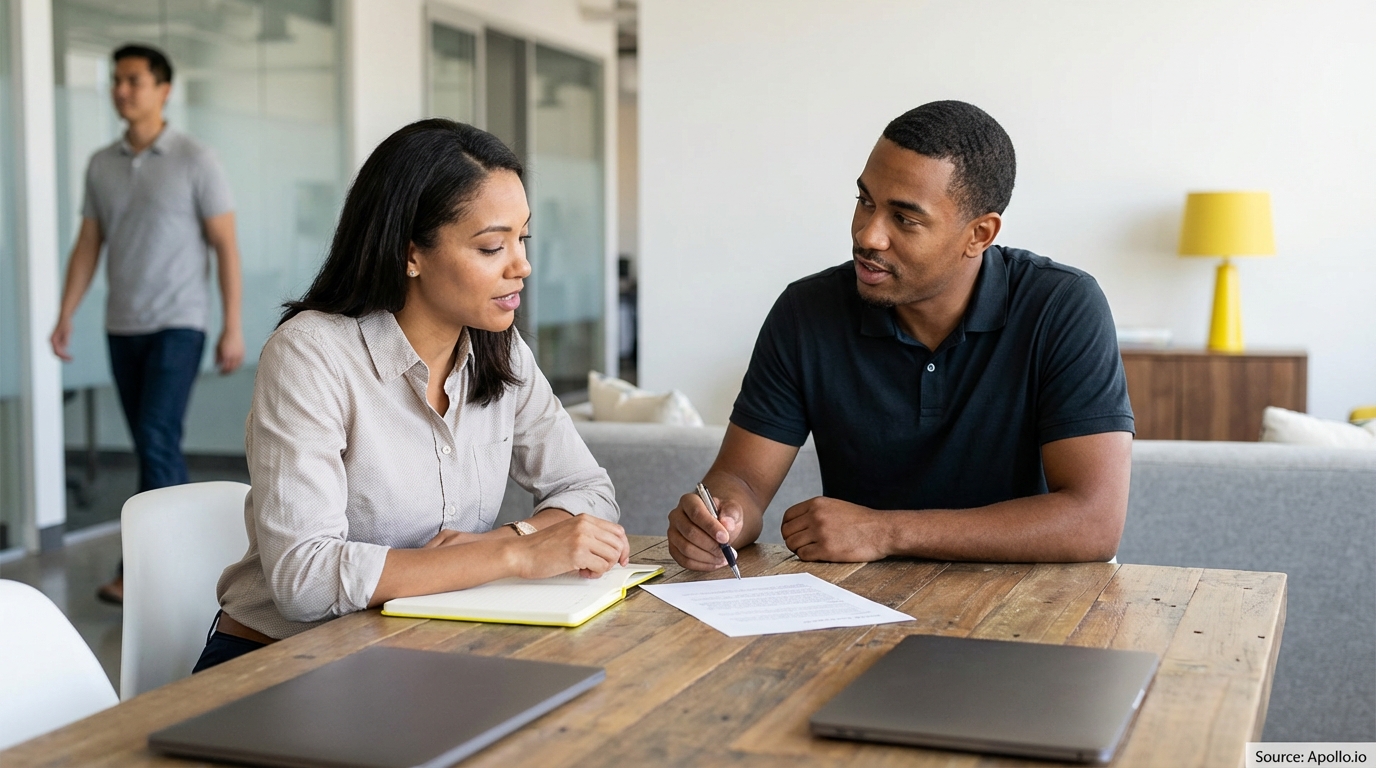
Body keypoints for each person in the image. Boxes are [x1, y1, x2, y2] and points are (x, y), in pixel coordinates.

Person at [195, 119, 629, 671]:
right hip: (279, 660)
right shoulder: (311, 354)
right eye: (493, 246)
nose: (522, 266)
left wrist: (514, 536)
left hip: (418, 651)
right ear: (410, 254)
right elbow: (302, 578)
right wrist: (512, 553)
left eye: (522, 239)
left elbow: (588, 489)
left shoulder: (502, 351)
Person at [668, 101, 1135, 570]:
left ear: (980, 234)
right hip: (860, 605)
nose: (868, 235)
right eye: (865, 201)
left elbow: (1092, 520)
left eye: (905, 219)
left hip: (1028, 606)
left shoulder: (1062, 306)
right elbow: (743, 482)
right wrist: (721, 519)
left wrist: (885, 530)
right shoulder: (806, 312)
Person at [50, 44, 244, 605]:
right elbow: (89, 243)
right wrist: (66, 312)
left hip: (180, 324)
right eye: (115, 80)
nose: (122, 90)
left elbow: (225, 246)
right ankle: (183, 562)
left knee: (157, 438)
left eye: (133, 80)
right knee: (152, 447)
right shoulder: (101, 163)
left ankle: (150, 577)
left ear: (163, 89)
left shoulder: (195, 159)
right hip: (123, 326)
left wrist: (232, 325)